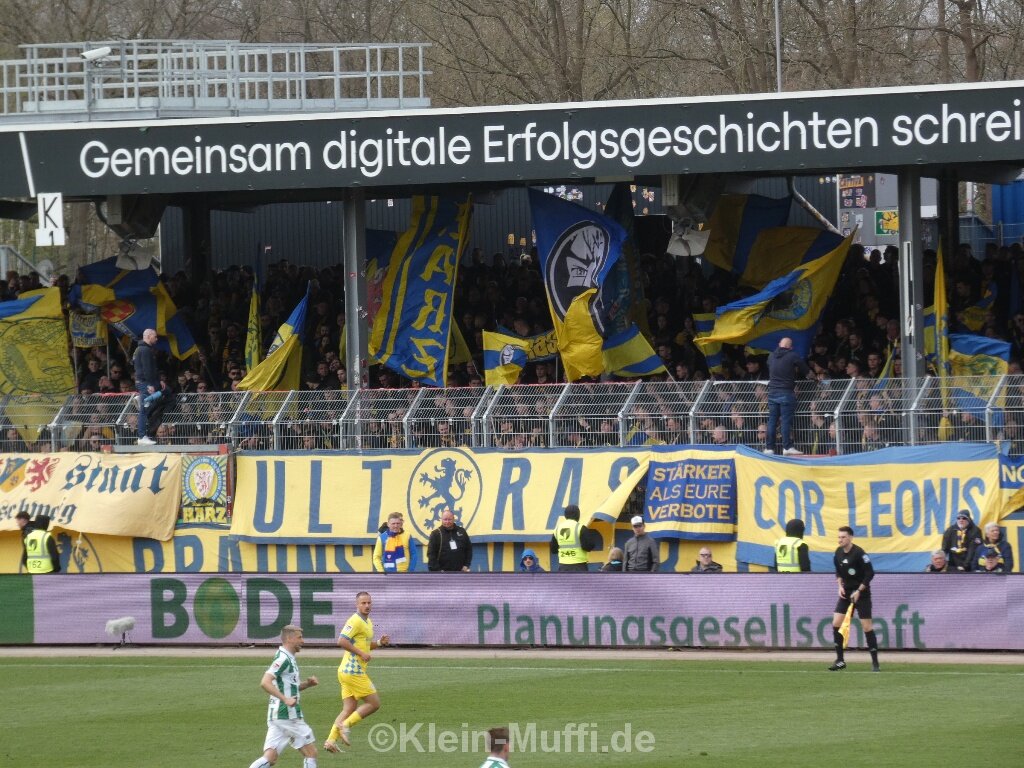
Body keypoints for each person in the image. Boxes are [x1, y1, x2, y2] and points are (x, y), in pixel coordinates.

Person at [324, 591, 391, 753]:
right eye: (363, 603)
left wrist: (379, 643)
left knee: (348, 709)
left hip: (346, 671)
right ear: (357, 604)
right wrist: (361, 654)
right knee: (374, 704)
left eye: (369, 603)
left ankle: (330, 741)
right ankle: (344, 726)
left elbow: (365, 645)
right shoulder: (355, 620)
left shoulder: (367, 622)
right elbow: (341, 640)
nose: (367, 605)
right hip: (352, 670)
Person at [247, 624, 320, 768]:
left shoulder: (288, 657)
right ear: (289, 638)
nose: (303, 641)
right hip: (287, 715)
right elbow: (265, 682)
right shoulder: (283, 659)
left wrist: (307, 684)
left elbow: (289, 688)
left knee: (270, 758)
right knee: (311, 753)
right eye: (300, 637)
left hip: (277, 715)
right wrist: (285, 699)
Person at [829, 526, 879, 672]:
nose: (840, 540)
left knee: (866, 627)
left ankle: (875, 663)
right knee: (836, 623)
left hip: (861, 593)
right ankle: (840, 660)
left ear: (850, 538)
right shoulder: (838, 553)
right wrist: (840, 586)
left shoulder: (859, 553)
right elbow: (838, 572)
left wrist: (859, 590)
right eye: (839, 537)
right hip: (846, 593)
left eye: (843, 537)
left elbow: (870, 573)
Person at [765, 336, 808, 455]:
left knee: (772, 421)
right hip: (786, 392)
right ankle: (787, 447)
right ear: (790, 347)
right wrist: (815, 378)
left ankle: (769, 448)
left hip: (772, 393)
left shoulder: (770, 356)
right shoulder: (792, 355)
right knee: (785, 421)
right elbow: (805, 369)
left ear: (779, 344)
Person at [549, 504, 600, 572]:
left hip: (563, 567)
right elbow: (588, 546)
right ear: (578, 515)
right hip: (579, 566)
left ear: (565, 515)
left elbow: (553, 550)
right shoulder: (580, 528)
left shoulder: (557, 529)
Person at [133, 328, 160, 446]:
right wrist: (150, 384)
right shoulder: (145, 350)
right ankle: (142, 436)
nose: (156, 339)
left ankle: (141, 399)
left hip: (141, 382)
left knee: (156, 399)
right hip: (146, 383)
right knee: (144, 410)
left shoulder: (138, 349)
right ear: (149, 336)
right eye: (155, 336)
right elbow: (148, 369)